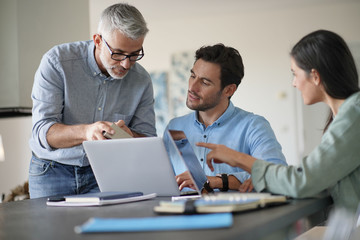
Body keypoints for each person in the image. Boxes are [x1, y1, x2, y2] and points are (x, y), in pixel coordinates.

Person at [199, 30, 360, 211]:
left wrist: (238, 159)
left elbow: (302, 181)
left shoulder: (354, 116)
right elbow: (316, 178)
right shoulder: (347, 116)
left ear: (314, 76)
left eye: (295, 73)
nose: (294, 83)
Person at [29, 3, 156, 198]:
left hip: (107, 172)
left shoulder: (142, 80)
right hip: (51, 171)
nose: (126, 64)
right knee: (51, 230)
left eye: (134, 55)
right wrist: (87, 131)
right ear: (97, 40)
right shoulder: (57, 63)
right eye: (118, 53)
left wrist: (129, 136)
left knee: (106, 229)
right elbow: (43, 133)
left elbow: (147, 139)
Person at [164, 44, 287, 193]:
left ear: (229, 90)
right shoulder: (174, 127)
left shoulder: (254, 126)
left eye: (205, 82)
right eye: (193, 76)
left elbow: (277, 175)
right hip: (180, 213)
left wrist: (215, 181)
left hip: (237, 215)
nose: (192, 87)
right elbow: (161, 179)